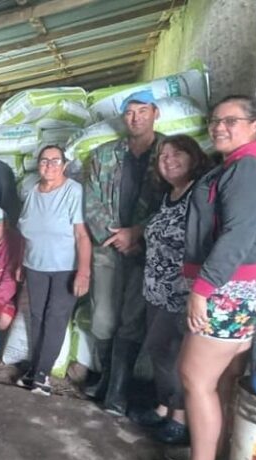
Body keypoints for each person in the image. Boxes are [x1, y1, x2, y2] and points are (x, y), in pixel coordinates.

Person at [150, 96, 256, 460]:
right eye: (215, 121)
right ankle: (211, 456)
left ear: (255, 124)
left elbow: (237, 237)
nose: (219, 127)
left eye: (231, 121)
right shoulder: (247, 165)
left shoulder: (248, 169)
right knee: (221, 378)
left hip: (230, 289)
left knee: (195, 377)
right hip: (245, 288)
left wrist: (203, 289)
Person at [82, 90, 165, 415]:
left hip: (149, 252)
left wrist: (138, 233)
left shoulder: (170, 152)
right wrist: (118, 237)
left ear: (155, 113)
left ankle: (118, 392)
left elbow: (176, 202)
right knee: (102, 318)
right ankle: (105, 379)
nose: (136, 118)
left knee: (132, 320)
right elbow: (91, 202)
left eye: (142, 111)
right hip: (108, 248)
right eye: (130, 112)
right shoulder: (104, 155)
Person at [130, 135, 209, 444]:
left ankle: (179, 416)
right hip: (156, 289)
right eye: (163, 155)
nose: (169, 159)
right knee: (158, 350)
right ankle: (164, 406)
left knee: (170, 352)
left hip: (181, 291)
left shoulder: (198, 195)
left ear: (194, 157)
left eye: (177, 153)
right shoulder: (170, 194)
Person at [18, 145, 91, 396]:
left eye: (55, 161)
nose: (49, 165)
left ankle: (42, 374)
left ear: (64, 165)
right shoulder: (31, 193)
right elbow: (24, 235)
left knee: (56, 318)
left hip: (64, 267)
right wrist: (20, 263)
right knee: (37, 316)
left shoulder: (73, 190)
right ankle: (34, 367)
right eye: (44, 161)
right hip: (34, 265)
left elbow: (82, 235)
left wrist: (83, 272)